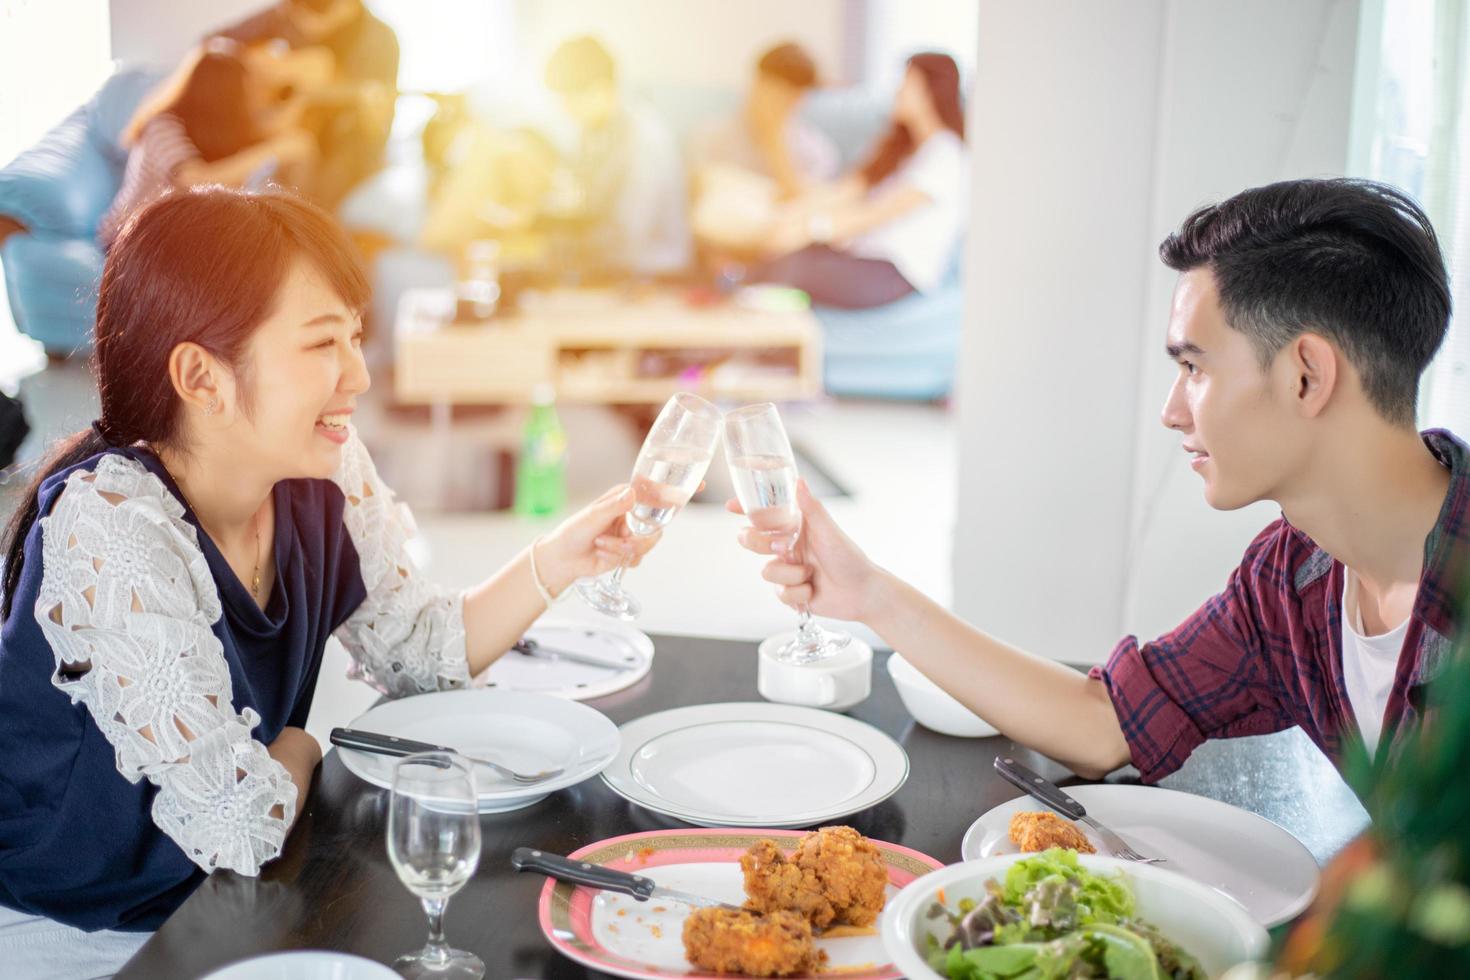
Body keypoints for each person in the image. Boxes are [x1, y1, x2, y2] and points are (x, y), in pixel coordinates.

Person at [0, 187, 659, 977]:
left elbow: (418, 651)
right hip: (84, 928)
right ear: (201, 377)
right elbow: (238, 820)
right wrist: (307, 745)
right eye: (322, 344)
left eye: (355, 337)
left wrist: (556, 561)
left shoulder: (315, 472)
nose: (359, 375)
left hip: (237, 892)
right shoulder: (109, 523)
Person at [733, 178, 1466, 783]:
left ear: (1307, 375)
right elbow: (1107, 721)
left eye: (1194, 367)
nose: (1171, 410)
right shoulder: (1292, 576)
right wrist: (869, 594)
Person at [747, 52, 966, 309]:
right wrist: (789, 216)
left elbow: (874, 215)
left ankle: (745, 314)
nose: (897, 91)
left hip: (896, 272)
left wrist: (809, 230)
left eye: (907, 82)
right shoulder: (900, 149)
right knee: (781, 255)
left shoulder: (946, 155)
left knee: (795, 265)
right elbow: (844, 192)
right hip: (862, 256)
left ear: (930, 91)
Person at [97, 39, 316, 248]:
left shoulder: (210, 133)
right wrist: (275, 150)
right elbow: (195, 182)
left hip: (170, 232)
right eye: (245, 93)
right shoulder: (162, 126)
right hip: (124, 235)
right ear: (222, 98)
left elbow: (269, 131)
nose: (253, 100)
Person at [213, 0, 399, 208]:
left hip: (341, 148)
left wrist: (372, 112)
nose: (298, 23)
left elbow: (378, 127)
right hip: (271, 135)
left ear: (345, 6)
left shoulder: (380, 41)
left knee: (314, 198)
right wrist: (263, 72)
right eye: (294, 15)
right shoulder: (287, 11)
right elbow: (213, 46)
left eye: (308, 15)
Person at [543, 35, 691, 278]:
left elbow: (629, 232)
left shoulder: (645, 139)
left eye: (570, 98)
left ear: (601, 88)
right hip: (613, 267)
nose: (564, 109)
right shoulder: (593, 134)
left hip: (652, 275)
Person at [688, 42, 839, 255]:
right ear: (756, 83)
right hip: (721, 254)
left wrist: (774, 140)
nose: (778, 102)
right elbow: (702, 209)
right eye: (773, 90)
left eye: (790, 96)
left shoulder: (816, 151)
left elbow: (808, 214)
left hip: (786, 255)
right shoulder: (710, 136)